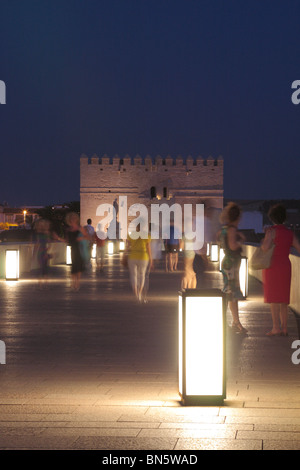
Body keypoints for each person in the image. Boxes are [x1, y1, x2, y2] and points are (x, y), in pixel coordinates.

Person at [261, 204, 300, 336]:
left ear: (272, 218)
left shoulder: (271, 231)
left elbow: (265, 248)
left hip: (272, 266)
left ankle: (275, 327)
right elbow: (298, 247)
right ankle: (284, 328)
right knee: (284, 299)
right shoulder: (289, 233)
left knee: (274, 299)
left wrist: (266, 237)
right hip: (285, 266)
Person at [219, 202, 247, 334]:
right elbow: (233, 246)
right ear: (237, 217)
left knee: (230, 292)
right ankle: (233, 322)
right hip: (231, 263)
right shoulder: (232, 229)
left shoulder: (224, 228)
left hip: (228, 262)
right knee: (230, 293)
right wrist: (241, 240)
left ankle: (235, 321)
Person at [125, 223, 153, 302]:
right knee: (142, 275)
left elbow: (127, 246)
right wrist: (151, 260)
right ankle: (140, 293)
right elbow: (148, 248)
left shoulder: (131, 235)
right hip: (143, 257)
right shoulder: (146, 236)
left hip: (133, 256)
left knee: (134, 275)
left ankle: (136, 293)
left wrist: (124, 254)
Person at [65, 212, 88, 291]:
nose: (73, 220)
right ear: (69, 220)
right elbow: (67, 241)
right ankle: (73, 282)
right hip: (73, 250)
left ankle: (77, 283)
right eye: (71, 218)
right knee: (73, 266)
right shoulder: (68, 229)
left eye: (74, 218)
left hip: (79, 249)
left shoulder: (80, 228)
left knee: (78, 267)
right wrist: (58, 238)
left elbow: (87, 236)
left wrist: (81, 238)